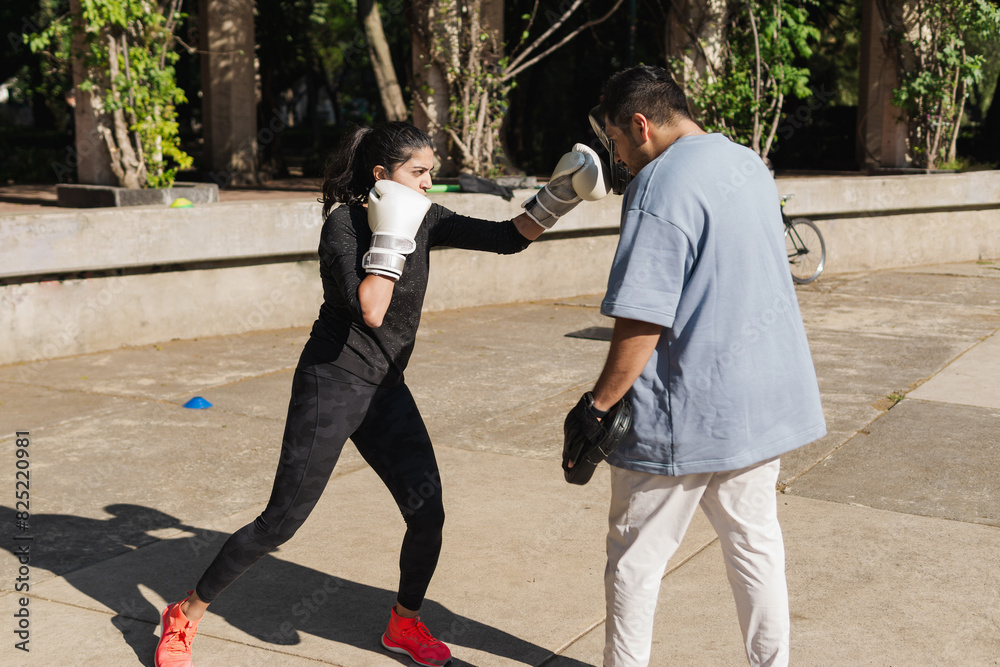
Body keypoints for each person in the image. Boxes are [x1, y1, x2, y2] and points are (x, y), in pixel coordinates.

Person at [153, 121, 607, 667]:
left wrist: (561, 193)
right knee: (282, 521)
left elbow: (508, 237)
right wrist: (393, 229)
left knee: (428, 514)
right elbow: (371, 309)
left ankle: (403, 623)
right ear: (380, 174)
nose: (428, 184)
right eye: (418, 173)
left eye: (431, 173)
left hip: (386, 388)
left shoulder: (426, 215)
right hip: (332, 383)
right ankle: (184, 614)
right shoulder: (343, 225)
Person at [581, 66, 826, 666]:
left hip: (682, 412)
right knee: (756, 549)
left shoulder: (657, 185)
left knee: (635, 561)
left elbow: (642, 315)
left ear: (641, 125)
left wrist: (598, 405)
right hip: (758, 405)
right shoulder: (748, 163)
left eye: (615, 139)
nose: (617, 156)